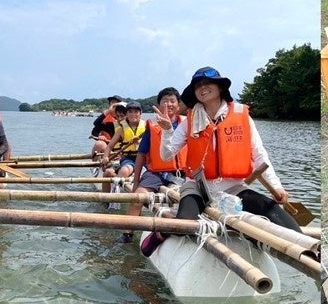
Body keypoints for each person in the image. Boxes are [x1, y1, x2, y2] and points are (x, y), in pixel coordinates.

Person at [151, 66, 301, 251]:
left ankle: (309, 248)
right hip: (197, 186)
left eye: (208, 83)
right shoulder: (190, 120)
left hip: (233, 188)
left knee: (270, 209)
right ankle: (163, 230)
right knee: (185, 226)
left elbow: (260, 154)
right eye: (198, 86)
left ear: (220, 87)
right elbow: (166, 155)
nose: (202, 88)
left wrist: (276, 186)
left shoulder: (241, 116)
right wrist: (167, 130)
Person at [120, 87, 187, 245]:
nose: (168, 104)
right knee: (139, 196)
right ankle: (127, 233)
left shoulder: (187, 124)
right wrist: (136, 182)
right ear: (158, 104)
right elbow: (141, 154)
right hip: (155, 173)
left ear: (178, 105)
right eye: (164, 101)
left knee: (183, 200)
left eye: (172, 101)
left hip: (180, 174)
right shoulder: (152, 126)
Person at [102, 101, 146, 200]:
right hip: (129, 159)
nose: (133, 114)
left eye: (136, 112)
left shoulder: (148, 127)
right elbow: (109, 146)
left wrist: (139, 142)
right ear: (126, 114)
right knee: (122, 171)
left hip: (145, 160)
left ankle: (130, 197)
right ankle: (108, 200)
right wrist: (105, 157)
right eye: (130, 112)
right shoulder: (121, 130)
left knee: (119, 172)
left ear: (140, 113)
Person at [90, 95, 124, 162]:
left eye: (117, 103)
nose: (115, 105)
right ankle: (95, 167)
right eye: (113, 102)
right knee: (99, 144)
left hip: (121, 150)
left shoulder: (126, 118)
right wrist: (100, 136)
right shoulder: (105, 119)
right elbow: (95, 128)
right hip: (107, 148)